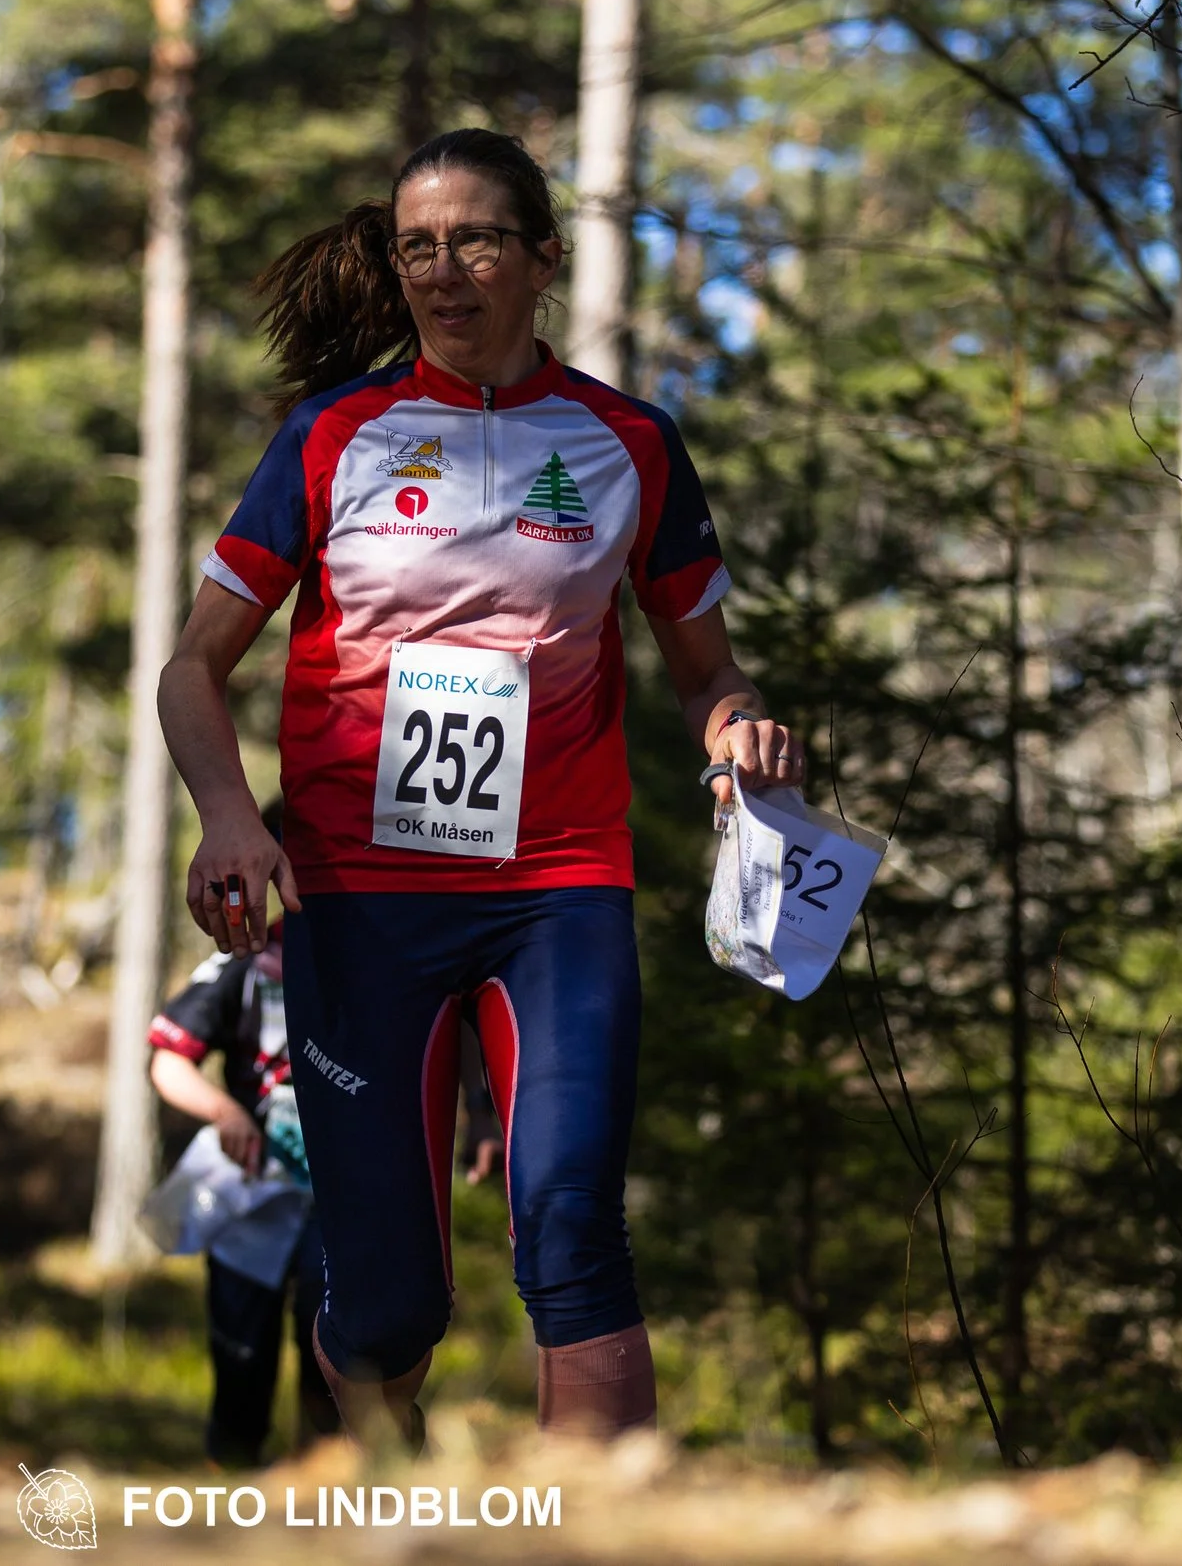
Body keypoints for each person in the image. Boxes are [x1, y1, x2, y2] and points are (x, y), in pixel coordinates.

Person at [155, 128, 805, 1443]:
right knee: (387, 1298)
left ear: (543, 260)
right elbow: (192, 667)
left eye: (477, 240)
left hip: (555, 894)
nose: (445, 270)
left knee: (572, 1224)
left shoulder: (630, 442)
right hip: (358, 896)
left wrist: (740, 725)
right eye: (418, 246)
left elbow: (707, 671)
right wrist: (230, 815)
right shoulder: (332, 436)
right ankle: (376, 1496)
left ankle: (599, 1530)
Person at [144, 820, 343, 1466]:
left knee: (336, 1347)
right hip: (253, 1190)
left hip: (346, 1191)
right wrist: (224, 1110)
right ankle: (231, 1484)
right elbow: (168, 1060)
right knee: (240, 1351)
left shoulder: (379, 951)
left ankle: (328, 1489)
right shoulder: (243, 956)